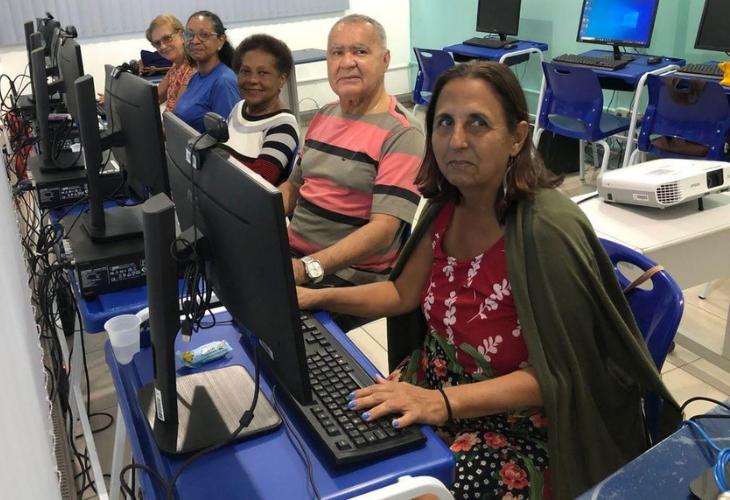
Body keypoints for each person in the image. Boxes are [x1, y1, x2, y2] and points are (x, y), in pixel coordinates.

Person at [296, 61, 682, 500]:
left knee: (400, 489)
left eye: (477, 123)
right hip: (434, 387)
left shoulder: (544, 230)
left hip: (521, 427)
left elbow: (560, 373)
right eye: (445, 123)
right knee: (336, 451)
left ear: (517, 137)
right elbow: (402, 291)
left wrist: (439, 404)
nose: (456, 140)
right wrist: (317, 296)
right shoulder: (447, 205)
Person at [278, 14, 424, 331]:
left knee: (277, 341)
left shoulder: (403, 134)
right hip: (294, 259)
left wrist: (308, 268)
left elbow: (383, 232)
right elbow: (294, 187)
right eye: (337, 52)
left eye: (359, 51)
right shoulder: (324, 115)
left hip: (345, 280)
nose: (347, 62)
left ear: (385, 60)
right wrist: (253, 216)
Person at [224, 34, 299, 186]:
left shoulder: (283, 126)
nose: (252, 80)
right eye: (245, 71)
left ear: (281, 79)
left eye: (263, 72)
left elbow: (258, 187)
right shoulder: (239, 108)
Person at [173, 11, 241, 132]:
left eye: (204, 34)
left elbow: (229, 138)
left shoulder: (224, 82)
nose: (194, 41)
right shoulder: (195, 77)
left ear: (220, 41)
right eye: (189, 34)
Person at [145, 14, 196, 113]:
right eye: (157, 43)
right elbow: (156, 97)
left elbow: (176, 115)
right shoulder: (176, 66)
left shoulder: (193, 68)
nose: (163, 46)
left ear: (182, 36)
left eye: (167, 38)